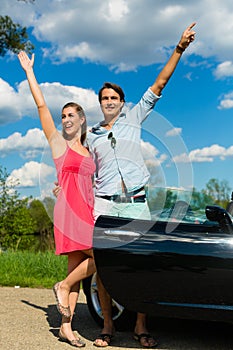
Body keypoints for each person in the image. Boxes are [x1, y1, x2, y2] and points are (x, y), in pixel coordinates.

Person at [54, 22, 196, 348]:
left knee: (139, 266)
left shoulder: (136, 117)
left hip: (136, 202)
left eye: (114, 97)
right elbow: (78, 168)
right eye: (104, 98)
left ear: (122, 101)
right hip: (105, 204)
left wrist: (180, 47)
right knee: (106, 267)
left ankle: (141, 327)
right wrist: (61, 186)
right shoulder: (92, 137)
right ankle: (107, 326)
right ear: (100, 103)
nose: (108, 101)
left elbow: (160, 82)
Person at [18, 51, 96, 348]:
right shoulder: (58, 145)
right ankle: (61, 287)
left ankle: (66, 327)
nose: (65, 120)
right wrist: (29, 72)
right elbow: (40, 106)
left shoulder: (89, 151)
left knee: (76, 272)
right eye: (63, 116)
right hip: (69, 213)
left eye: (70, 115)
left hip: (88, 212)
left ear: (82, 120)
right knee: (100, 256)